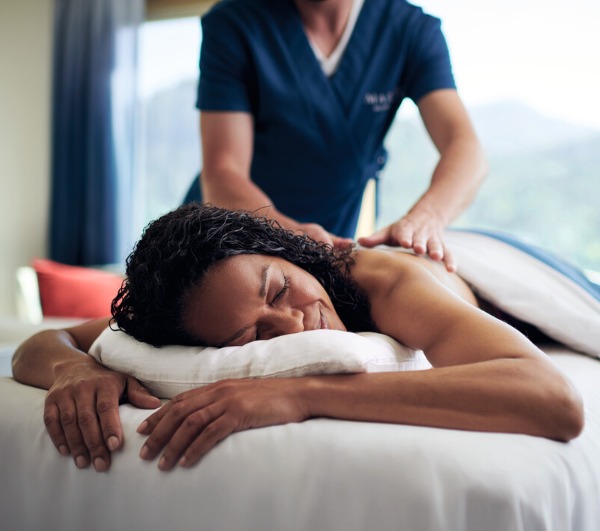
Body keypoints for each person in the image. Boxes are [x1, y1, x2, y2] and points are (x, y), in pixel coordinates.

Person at [12, 204, 584, 473]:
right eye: (254, 335)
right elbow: (44, 342)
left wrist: (304, 394)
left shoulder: (384, 284)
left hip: (495, 266)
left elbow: (553, 400)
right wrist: (75, 369)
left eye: (280, 289)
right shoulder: (195, 308)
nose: (294, 324)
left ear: (286, 253)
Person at [184, 0, 488, 271]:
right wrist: (285, 233)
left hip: (328, 239)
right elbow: (223, 170)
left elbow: (466, 148)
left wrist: (425, 219)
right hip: (230, 231)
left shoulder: (409, 29)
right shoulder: (234, 24)